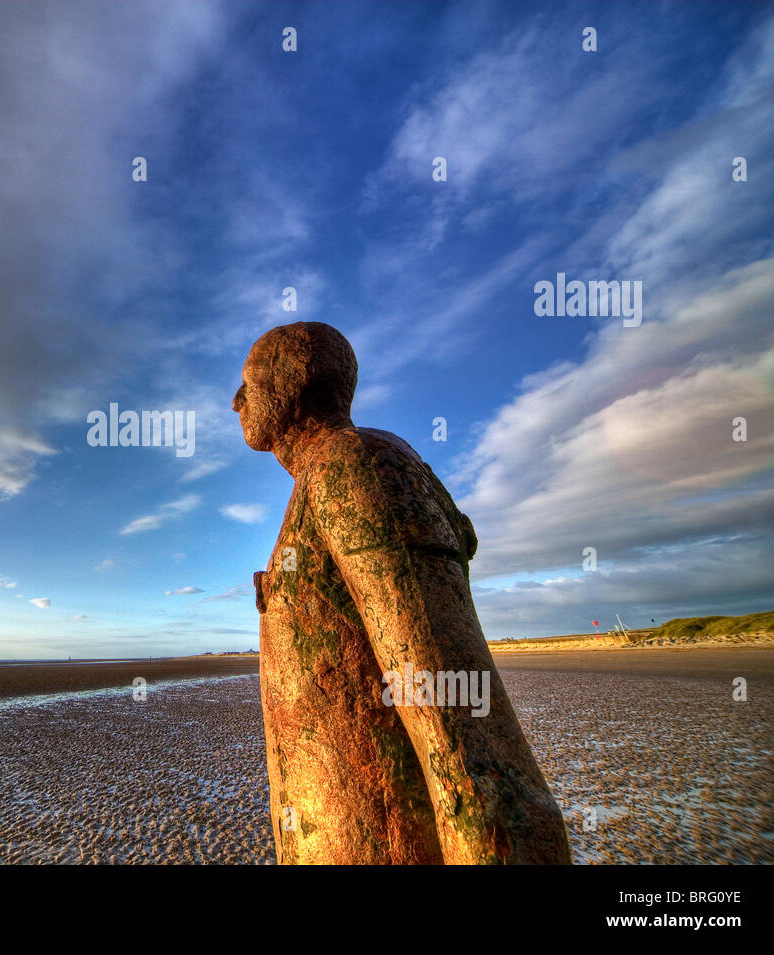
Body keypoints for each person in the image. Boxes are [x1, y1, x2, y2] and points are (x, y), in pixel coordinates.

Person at [234, 321, 570, 864]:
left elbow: (458, 725)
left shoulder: (356, 465)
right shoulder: (321, 478)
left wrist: (499, 838)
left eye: (248, 382)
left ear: (293, 377)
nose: (236, 401)